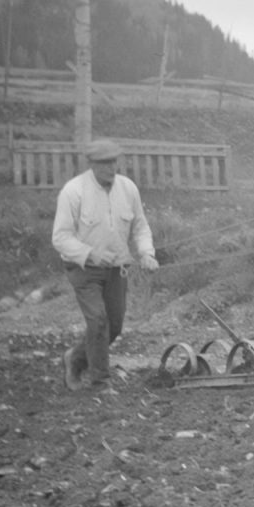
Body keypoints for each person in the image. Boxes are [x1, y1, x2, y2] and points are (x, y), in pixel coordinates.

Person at [52, 139, 159, 391]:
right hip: (83, 269)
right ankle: (100, 381)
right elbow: (61, 237)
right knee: (98, 320)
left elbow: (140, 227)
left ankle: (75, 359)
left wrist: (146, 253)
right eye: (104, 164)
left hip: (116, 269)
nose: (111, 168)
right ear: (91, 165)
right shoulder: (73, 191)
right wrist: (90, 254)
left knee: (114, 326)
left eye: (114, 162)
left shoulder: (128, 189)